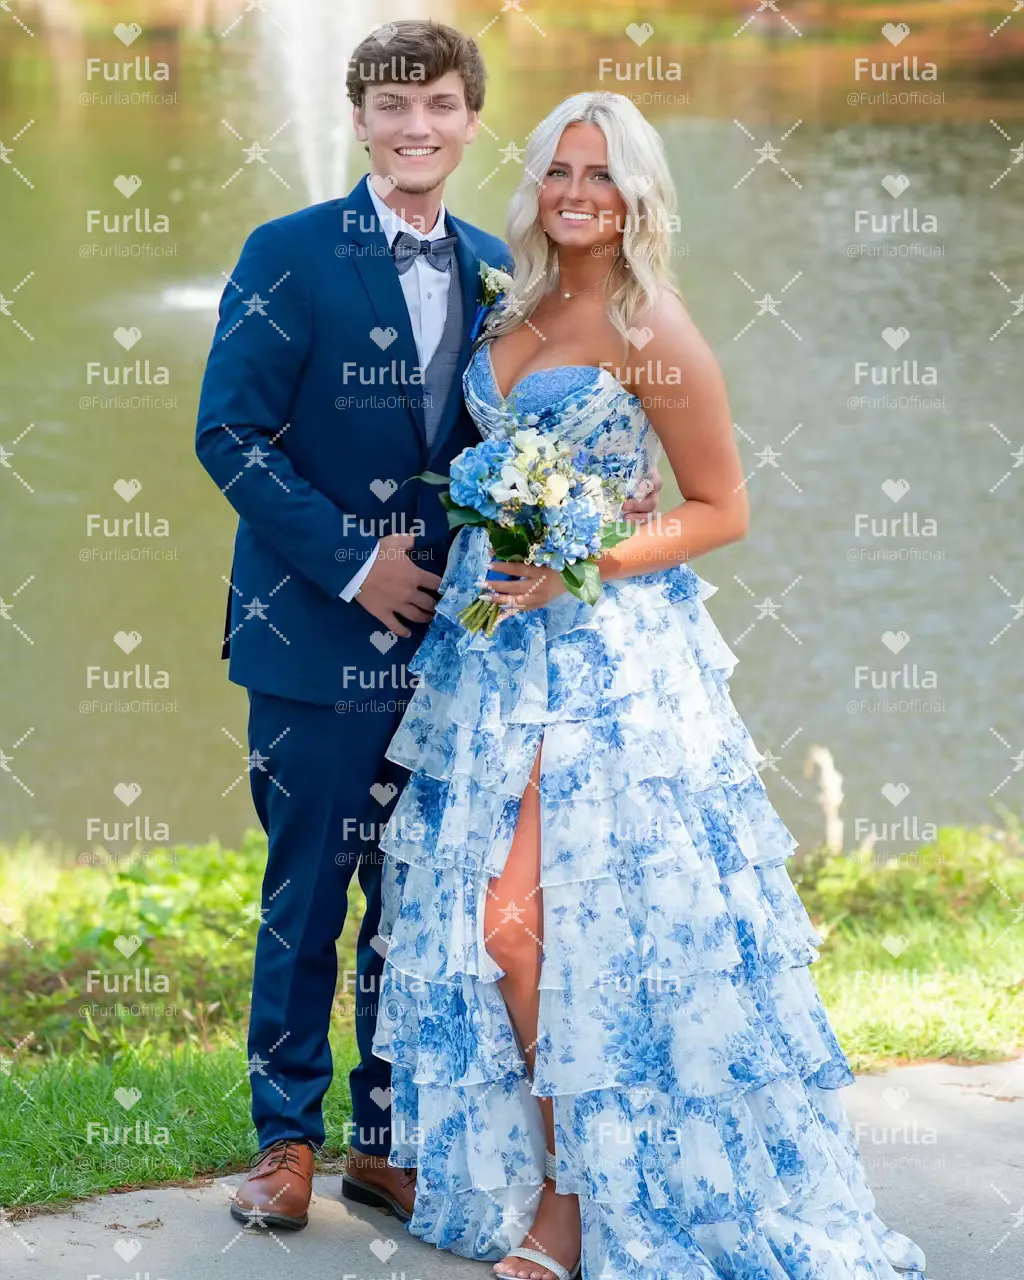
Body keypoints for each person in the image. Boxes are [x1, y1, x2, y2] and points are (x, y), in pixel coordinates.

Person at [370, 91, 931, 1280]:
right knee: (491, 929)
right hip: (490, 650)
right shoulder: (511, 302)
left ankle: (576, 1200)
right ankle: (541, 1170)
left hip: (605, 661)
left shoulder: (649, 324)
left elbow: (723, 507)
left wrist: (585, 559)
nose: (577, 193)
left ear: (636, 197)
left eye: (602, 176)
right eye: (560, 171)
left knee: (540, 931)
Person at [193, 23, 658, 1233]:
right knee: (309, 892)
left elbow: (512, 438)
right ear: (359, 118)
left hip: (456, 649)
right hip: (312, 634)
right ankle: (285, 1140)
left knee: (424, 897)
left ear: (468, 121)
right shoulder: (288, 252)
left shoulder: (500, 268)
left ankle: (388, 1141)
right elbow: (228, 434)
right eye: (393, 105)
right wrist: (355, 564)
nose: (416, 126)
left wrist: (601, 502)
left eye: (440, 105)